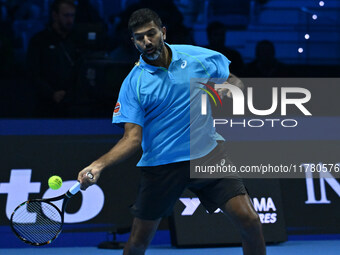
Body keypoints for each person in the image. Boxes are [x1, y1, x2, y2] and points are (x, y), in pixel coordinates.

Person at [77, 8, 266, 255]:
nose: (147, 41)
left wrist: (233, 89)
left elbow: (232, 79)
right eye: (140, 38)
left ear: (163, 32)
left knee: (250, 221)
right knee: (137, 243)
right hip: (162, 166)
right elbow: (132, 138)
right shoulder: (134, 83)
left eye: (151, 34)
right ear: (133, 42)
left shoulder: (198, 57)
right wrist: (98, 165)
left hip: (208, 155)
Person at [26, 0, 78, 117]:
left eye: (72, 15)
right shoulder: (39, 40)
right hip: (45, 104)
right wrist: (51, 93)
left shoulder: (76, 41)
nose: (70, 20)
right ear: (55, 15)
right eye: (66, 15)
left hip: (73, 104)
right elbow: (32, 73)